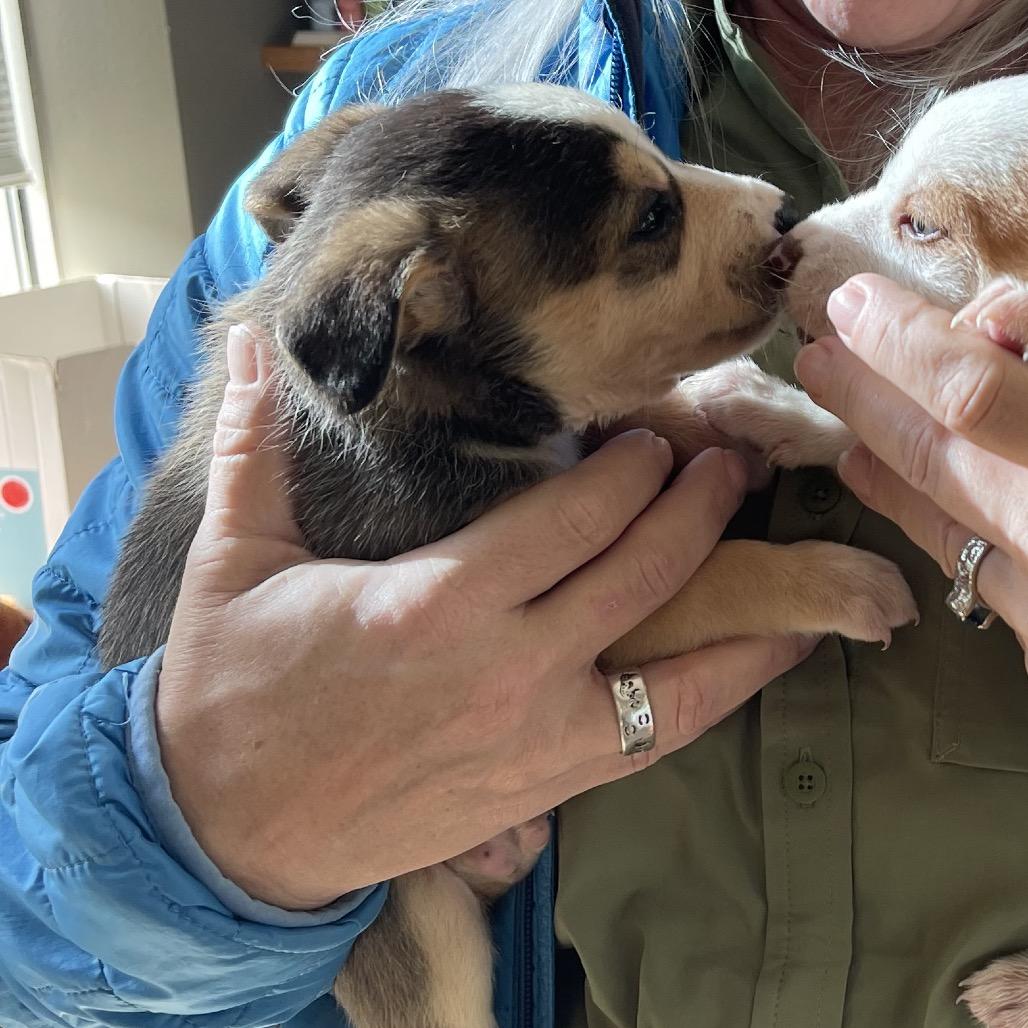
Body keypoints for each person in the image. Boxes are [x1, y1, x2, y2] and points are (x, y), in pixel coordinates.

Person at [0, 1, 1025, 1026]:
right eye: (651, 220)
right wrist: (198, 828)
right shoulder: (409, 117)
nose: (780, 220)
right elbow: (33, 903)